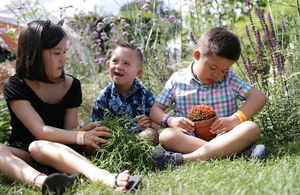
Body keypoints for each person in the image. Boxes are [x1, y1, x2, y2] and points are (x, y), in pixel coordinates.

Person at [0, 20, 141, 194]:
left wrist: (82, 131)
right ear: (35, 54)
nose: (63, 58)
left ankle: (102, 176)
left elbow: (69, 129)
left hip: (58, 149)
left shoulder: (71, 85)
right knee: (26, 147)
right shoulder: (15, 85)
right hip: (25, 152)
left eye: (64, 51)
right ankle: (45, 182)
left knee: (39, 146)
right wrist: (81, 136)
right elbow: (39, 130)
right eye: (57, 53)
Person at [150, 27, 268, 169]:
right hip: (188, 138)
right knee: (166, 136)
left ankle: (184, 159)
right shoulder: (177, 79)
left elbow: (258, 97)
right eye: (212, 68)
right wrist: (170, 120)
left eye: (223, 71)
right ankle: (238, 152)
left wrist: (235, 119)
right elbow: (156, 109)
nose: (217, 75)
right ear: (197, 55)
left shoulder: (229, 78)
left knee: (251, 127)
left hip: (226, 135)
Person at [90, 42, 159, 145]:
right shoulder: (103, 96)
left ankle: (133, 149)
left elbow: (155, 122)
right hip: (112, 139)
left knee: (151, 133)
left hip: (138, 140)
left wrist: (149, 125)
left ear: (138, 73)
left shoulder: (146, 95)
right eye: (115, 61)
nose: (119, 66)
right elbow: (96, 124)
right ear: (108, 65)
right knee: (92, 140)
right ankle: (119, 151)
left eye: (126, 63)